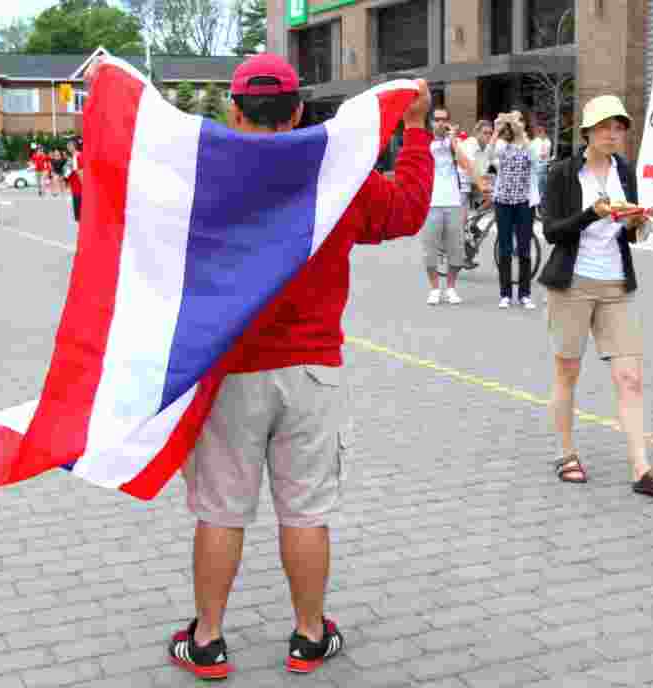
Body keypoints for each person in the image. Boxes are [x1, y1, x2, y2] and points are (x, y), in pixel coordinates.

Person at [104, 54, 432, 679]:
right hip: (312, 372)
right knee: (305, 511)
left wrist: (116, 99)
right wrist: (414, 130)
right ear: (299, 112)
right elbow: (407, 211)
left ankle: (207, 640)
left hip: (229, 373)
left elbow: (127, 192)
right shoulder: (332, 172)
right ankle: (309, 636)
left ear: (233, 110)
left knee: (220, 511)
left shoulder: (206, 174)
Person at [538, 94, 653, 497]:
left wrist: (636, 221)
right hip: (572, 282)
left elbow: (629, 237)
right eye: (603, 127)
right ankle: (566, 454)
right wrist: (593, 214)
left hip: (616, 283)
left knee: (630, 376)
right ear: (586, 132)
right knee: (568, 372)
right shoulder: (563, 173)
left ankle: (642, 469)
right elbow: (551, 231)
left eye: (617, 127)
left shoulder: (625, 170)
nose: (611, 134)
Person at [422, 106, 473, 305]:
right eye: (437, 119)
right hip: (431, 202)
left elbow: (465, 164)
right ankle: (434, 288)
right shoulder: (425, 142)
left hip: (453, 201)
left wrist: (453, 141)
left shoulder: (455, 142)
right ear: (431, 122)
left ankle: (451, 288)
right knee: (430, 250)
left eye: (444, 119)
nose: (440, 123)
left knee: (456, 250)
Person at [489, 109, 536, 309]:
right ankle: (505, 294)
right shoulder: (501, 145)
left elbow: (534, 159)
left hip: (524, 202)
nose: (516, 123)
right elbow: (488, 155)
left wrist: (520, 133)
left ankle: (525, 294)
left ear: (525, 124)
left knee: (524, 249)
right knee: (505, 248)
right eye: (514, 120)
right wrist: (496, 130)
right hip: (503, 201)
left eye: (520, 120)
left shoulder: (529, 145)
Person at [529, 120, 552, 210]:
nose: (542, 131)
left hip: (545, 167)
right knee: (538, 189)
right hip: (537, 168)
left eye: (543, 130)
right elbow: (531, 157)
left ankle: (541, 208)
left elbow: (547, 154)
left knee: (544, 190)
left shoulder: (547, 142)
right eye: (540, 130)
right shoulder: (534, 143)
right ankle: (538, 208)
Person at [64, 138, 83, 222]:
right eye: (67, 145)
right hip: (76, 188)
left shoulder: (76, 157)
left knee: (80, 217)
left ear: (74, 146)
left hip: (79, 189)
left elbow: (80, 172)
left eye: (69, 145)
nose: (67, 147)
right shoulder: (73, 158)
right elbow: (67, 174)